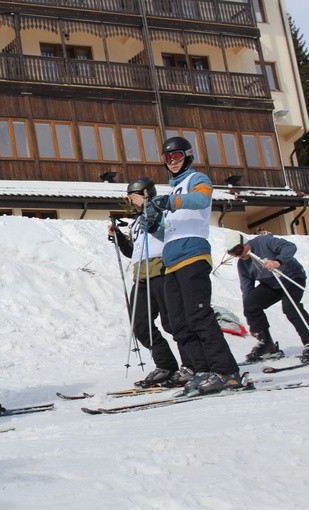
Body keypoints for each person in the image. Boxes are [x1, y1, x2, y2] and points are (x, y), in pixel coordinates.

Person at [140, 136, 241, 395]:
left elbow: (201, 200)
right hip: (172, 262)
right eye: (167, 158)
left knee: (199, 316)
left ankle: (226, 371)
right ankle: (202, 370)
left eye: (177, 156)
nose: (172, 162)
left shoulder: (196, 180)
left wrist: (168, 202)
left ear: (188, 156)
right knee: (179, 322)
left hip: (193, 256)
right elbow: (169, 232)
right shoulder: (173, 189)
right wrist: (154, 225)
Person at [109, 178, 193, 388]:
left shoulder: (162, 211)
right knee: (140, 324)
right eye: (129, 198)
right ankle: (166, 365)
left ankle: (191, 365)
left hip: (162, 270)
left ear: (146, 193)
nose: (131, 202)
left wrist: (149, 207)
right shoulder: (137, 221)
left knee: (172, 322)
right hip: (141, 275)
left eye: (134, 197)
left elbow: (168, 234)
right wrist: (119, 236)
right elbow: (133, 251)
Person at [225, 231, 309, 363]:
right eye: (233, 254)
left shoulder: (263, 241)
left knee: (290, 307)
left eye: (239, 250)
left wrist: (277, 262)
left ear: (245, 242)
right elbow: (247, 289)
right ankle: (266, 343)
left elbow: (290, 246)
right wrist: (252, 321)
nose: (239, 255)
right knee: (250, 304)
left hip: (292, 276)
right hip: (271, 285)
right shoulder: (243, 265)